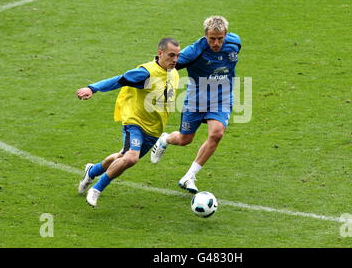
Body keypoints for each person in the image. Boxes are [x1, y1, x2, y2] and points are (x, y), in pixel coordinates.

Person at [76, 38, 180, 206]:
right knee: (131, 158)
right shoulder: (146, 73)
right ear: (160, 53)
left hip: (154, 130)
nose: (175, 60)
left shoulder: (173, 73)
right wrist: (92, 88)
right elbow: (120, 79)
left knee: (122, 157)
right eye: (171, 55)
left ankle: (92, 170)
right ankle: (97, 189)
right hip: (135, 122)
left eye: (177, 56)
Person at [151, 16, 242, 193]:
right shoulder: (193, 52)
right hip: (196, 100)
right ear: (205, 35)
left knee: (216, 134)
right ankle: (165, 139)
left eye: (220, 38)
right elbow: (166, 66)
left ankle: (189, 177)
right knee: (185, 139)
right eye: (212, 39)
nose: (216, 43)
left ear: (226, 35)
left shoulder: (235, 43)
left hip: (221, 99)